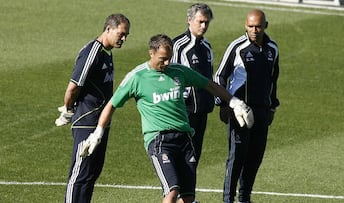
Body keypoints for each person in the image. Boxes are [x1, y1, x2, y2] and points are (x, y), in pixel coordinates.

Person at [80, 34, 253, 203]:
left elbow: (209, 84)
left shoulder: (179, 72)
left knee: (187, 198)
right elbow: (112, 104)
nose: (167, 63)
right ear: (151, 53)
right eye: (163, 58)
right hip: (159, 141)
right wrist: (98, 132)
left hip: (185, 140)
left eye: (169, 58)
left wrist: (234, 102)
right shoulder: (137, 77)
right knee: (172, 191)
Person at [54, 13, 130, 203]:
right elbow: (73, 87)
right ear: (108, 29)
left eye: (126, 35)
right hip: (86, 122)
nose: (124, 38)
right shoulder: (93, 52)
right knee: (79, 175)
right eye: (121, 34)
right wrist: (68, 109)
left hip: (99, 123)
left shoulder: (106, 52)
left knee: (90, 174)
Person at [214, 9, 280, 203]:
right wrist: (224, 104)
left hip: (262, 111)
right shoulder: (237, 47)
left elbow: (273, 79)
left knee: (255, 157)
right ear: (245, 25)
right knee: (237, 157)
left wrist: (272, 107)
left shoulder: (272, 49)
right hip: (240, 111)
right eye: (250, 26)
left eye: (258, 26)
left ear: (265, 26)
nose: (254, 30)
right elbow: (220, 75)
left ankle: (244, 198)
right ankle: (228, 199)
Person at [171, 3, 214, 166]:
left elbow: (210, 78)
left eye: (206, 22)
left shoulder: (207, 47)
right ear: (189, 20)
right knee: (180, 156)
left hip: (202, 111)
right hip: (184, 111)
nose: (203, 26)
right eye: (200, 22)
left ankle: (188, 192)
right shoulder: (178, 46)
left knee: (194, 157)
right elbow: (171, 77)